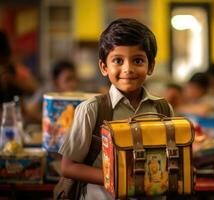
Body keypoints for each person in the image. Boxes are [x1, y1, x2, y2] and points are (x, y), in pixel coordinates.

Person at [58, 18, 173, 199]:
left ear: (151, 66)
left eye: (138, 60)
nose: (128, 69)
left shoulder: (162, 108)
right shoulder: (91, 110)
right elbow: (68, 167)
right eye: (118, 60)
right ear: (104, 67)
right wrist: (118, 179)